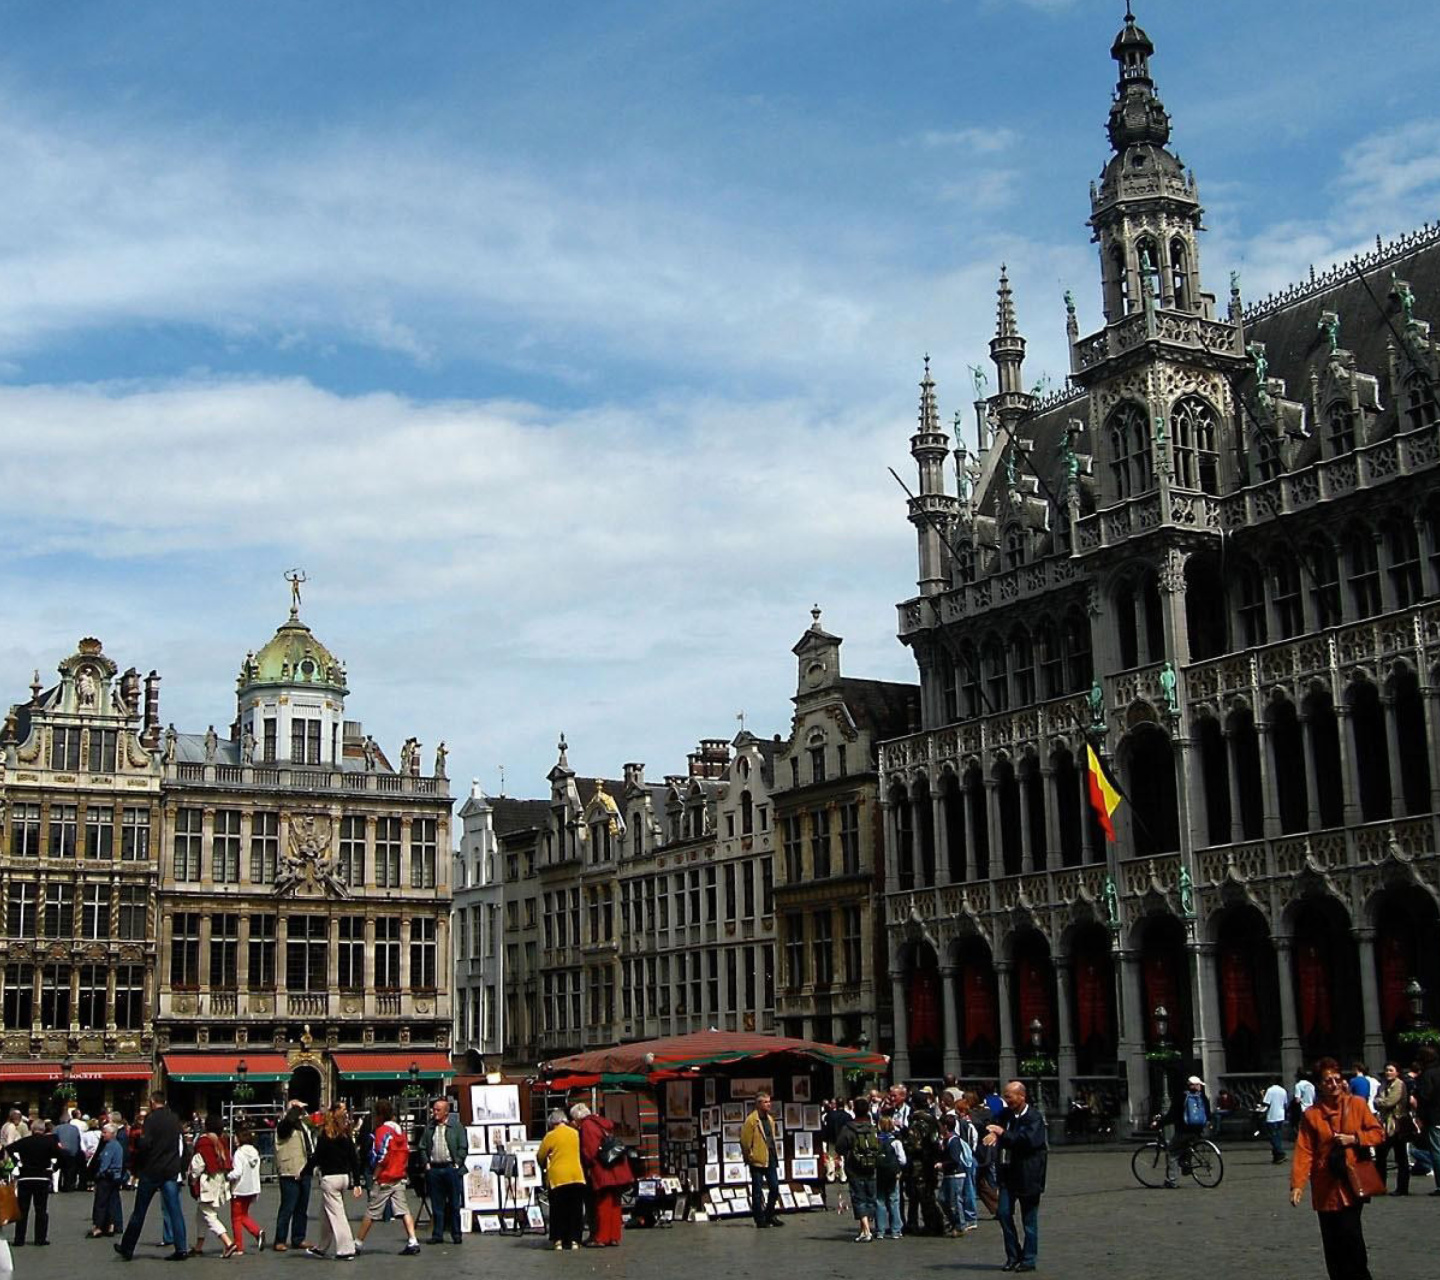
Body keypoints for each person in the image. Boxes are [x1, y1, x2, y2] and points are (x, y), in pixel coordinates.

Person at [1290, 1056, 1385, 1280]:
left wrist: (1355, 1138)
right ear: (1319, 1085)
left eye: (1336, 1079)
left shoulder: (1357, 1105)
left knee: (1352, 1241)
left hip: (1351, 1183)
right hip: (1325, 1185)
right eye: (1327, 1081)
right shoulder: (1311, 1115)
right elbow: (1304, 1151)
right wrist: (1298, 1184)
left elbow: (1378, 1133)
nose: (1333, 1085)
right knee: (1332, 1247)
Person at [116, 1091, 189, 1261]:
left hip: (152, 1170)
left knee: (139, 1211)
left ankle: (127, 1247)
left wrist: (139, 1154)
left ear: (152, 1102)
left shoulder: (151, 1119)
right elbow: (181, 1144)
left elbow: (145, 1143)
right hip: (170, 1171)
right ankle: (181, 1248)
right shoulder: (174, 1119)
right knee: (175, 1210)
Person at [983, 1081, 1047, 1274]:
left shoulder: (1034, 1117)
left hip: (1028, 1176)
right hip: (1008, 1175)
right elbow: (991, 1123)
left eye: (1010, 1096)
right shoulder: (1005, 1115)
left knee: (1029, 1222)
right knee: (1003, 1213)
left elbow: (1026, 1141)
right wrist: (993, 1133)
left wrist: (1002, 1133)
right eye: (1005, 1096)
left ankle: (1028, 1259)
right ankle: (1013, 1255)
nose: (1006, 1100)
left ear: (1022, 1096)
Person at [353, 1099, 421, 1256]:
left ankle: (358, 1243)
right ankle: (413, 1240)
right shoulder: (399, 1131)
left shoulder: (382, 1131)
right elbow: (405, 1152)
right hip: (398, 1174)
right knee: (404, 1210)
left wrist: (376, 1173)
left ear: (379, 1115)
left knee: (372, 1211)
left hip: (385, 1177)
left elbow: (381, 1156)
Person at [300, 1104, 359, 1261]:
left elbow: (317, 1157)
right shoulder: (346, 1135)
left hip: (330, 1178)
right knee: (325, 1213)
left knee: (338, 1215)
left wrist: (304, 1172)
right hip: (344, 1177)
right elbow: (354, 1158)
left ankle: (347, 1249)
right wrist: (357, 1182)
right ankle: (322, 1247)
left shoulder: (325, 1136)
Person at [575, 1101, 632, 1247]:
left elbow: (590, 1151)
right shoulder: (602, 1122)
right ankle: (614, 1235)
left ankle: (601, 1237)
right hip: (617, 1167)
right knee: (615, 1203)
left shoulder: (587, 1126)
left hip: (603, 1169)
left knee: (603, 1203)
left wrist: (587, 1166)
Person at [5, 1118, 61, 1246]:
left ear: (32, 1129)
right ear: (44, 1129)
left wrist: (17, 1163)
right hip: (42, 1178)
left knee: (23, 1210)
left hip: (26, 1177)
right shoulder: (49, 1142)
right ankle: (40, 1239)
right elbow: (63, 1155)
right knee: (41, 1210)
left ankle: (19, 1239)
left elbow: (8, 1148)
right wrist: (54, 1168)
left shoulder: (25, 1141)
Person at [189, 1113, 237, 1258]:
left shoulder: (204, 1142)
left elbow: (199, 1163)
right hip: (220, 1180)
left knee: (209, 1214)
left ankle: (228, 1243)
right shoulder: (221, 1141)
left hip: (208, 1181)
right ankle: (199, 1246)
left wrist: (192, 1177)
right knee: (201, 1214)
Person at [420, 1096, 466, 1245]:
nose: (434, 1112)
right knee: (437, 1204)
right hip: (434, 1169)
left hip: (450, 1168)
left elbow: (463, 1147)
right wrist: (426, 1163)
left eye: (438, 1110)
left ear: (446, 1112)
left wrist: (457, 1162)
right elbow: (422, 1146)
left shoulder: (456, 1127)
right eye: (433, 1109)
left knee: (454, 1204)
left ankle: (456, 1234)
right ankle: (437, 1234)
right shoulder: (430, 1127)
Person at [536, 1109, 584, 1251]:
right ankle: (575, 1240)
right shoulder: (575, 1133)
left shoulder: (550, 1136)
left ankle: (558, 1240)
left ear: (552, 1123)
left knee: (558, 1210)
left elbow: (540, 1156)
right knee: (575, 1210)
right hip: (576, 1175)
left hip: (558, 1178)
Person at [273, 1098, 315, 1252]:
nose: (302, 1112)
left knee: (302, 1208)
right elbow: (286, 1125)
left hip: (304, 1170)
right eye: (299, 1110)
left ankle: (298, 1238)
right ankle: (280, 1239)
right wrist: (294, 1109)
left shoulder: (302, 1126)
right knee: (287, 1207)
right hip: (289, 1171)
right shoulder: (284, 1126)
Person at [836, 1097, 878, 1243]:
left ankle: (866, 1230)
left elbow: (840, 1147)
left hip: (854, 1166)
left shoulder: (849, 1128)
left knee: (858, 1197)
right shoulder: (872, 1127)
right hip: (871, 1165)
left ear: (854, 1110)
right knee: (870, 1196)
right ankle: (864, 1229)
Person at [740, 1091, 782, 1229]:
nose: (769, 1104)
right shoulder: (751, 1120)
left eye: (769, 1101)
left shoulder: (770, 1119)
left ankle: (769, 1214)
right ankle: (759, 1219)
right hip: (757, 1160)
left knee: (774, 1188)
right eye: (765, 1102)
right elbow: (745, 1141)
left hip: (770, 1158)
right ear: (758, 1104)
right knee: (757, 1191)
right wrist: (750, 1156)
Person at [1163, 1075, 1211, 1188]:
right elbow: (1208, 1112)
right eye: (1199, 1085)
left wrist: (1160, 1123)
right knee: (1188, 1146)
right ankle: (1186, 1166)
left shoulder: (1182, 1097)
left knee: (1171, 1152)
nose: (1200, 1087)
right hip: (1198, 1130)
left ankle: (1172, 1181)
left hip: (1184, 1130)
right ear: (1194, 1085)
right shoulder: (1202, 1097)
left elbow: (1172, 1114)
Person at [1373, 1062, 1412, 1195]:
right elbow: (1376, 1102)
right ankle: (1379, 1186)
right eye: (1386, 1070)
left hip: (1397, 1124)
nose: (1388, 1072)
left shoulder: (1399, 1084)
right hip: (1384, 1124)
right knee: (1380, 1156)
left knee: (1400, 1157)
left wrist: (1380, 1101)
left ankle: (1402, 1188)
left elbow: (1389, 1102)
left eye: (1391, 1070)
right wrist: (1379, 1101)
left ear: (1397, 1072)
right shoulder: (1383, 1084)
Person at [227, 1126, 265, 1252]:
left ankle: (239, 1245)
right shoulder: (254, 1152)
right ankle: (256, 1233)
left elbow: (237, 1172)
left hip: (239, 1189)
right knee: (243, 1215)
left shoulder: (239, 1153)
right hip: (252, 1188)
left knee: (236, 1218)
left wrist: (227, 1176)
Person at [938, 1111, 974, 1237]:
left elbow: (954, 1160)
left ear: (946, 1126)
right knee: (942, 1199)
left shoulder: (954, 1141)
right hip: (949, 1174)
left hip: (956, 1174)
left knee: (955, 1200)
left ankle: (960, 1225)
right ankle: (954, 1222)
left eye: (941, 1125)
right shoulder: (945, 1141)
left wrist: (942, 1165)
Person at [89, 1124, 126, 1238]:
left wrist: (98, 1174)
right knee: (111, 1202)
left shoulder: (110, 1146)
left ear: (112, 1134)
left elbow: (105, 1163)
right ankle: (110, 1225)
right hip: (115, 1177)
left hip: (106, 1177)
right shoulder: (118, 1145)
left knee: (101, 1202)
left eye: (105, 1132)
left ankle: (98, 1227)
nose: (102, 1134)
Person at [874, 1113, 906, 1240]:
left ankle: (880, 1230)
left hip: (879, 1173)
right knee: (894, 1200)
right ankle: (896, 1230)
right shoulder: (896, 1142)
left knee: (879, 1201)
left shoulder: (875, 1140)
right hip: (893, 1174)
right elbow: (903, 1160)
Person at [1414, 1045, 1440, 1192]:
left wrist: (1420, 1116)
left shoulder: (1427, 1074)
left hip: (1435, 1117)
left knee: (1437, 1151)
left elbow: (1425, 1096)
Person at [1261, 1077, 1290, 1164]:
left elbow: (1266, 1103)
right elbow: (1285, 1103)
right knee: (1278, 1135)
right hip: (1281, 1115)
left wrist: (1262, 1095)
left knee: (1273, 1136)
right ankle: (1277, 1155)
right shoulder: (1283, 1091)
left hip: (1272, 1116)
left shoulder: (1270, 1090)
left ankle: (1280, 1153)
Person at [55, 1110, 82, 1193]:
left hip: (61, 1152)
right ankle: (69, 1186)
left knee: (59, 1169)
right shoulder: (75, 1128)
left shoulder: (57, 1128)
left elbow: (54, 1139)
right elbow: (78, 1140)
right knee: (70, 1170)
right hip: (73, 1152)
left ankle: (58, 1185)